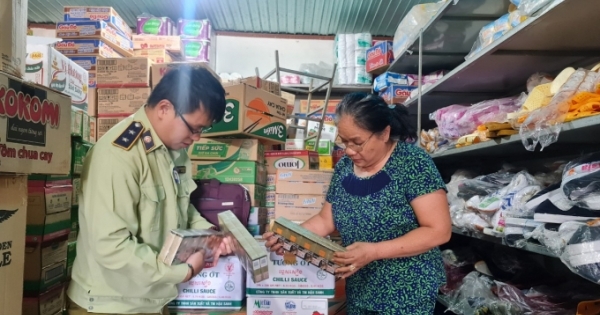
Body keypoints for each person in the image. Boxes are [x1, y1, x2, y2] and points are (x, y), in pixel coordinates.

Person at [264, 92, 452, 315]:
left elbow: (439, 231)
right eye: (344, 141)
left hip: (408, 292)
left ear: (384, 133)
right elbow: (326, 220)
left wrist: (373, 251)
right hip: (362, 288)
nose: (350, 150)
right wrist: (289, 235)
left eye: (358, 142)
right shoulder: (345, 167)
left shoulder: (412, 163)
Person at [67, 66, 233, 315]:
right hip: (111, 305)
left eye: (202, 130)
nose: (196, 137)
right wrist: (184, 271)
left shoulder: (173, 152)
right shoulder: (118, 155)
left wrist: (209, 235)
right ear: (164, 109)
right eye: (194, 128)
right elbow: (111, 246)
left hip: (151, 300)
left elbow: (180, 207)